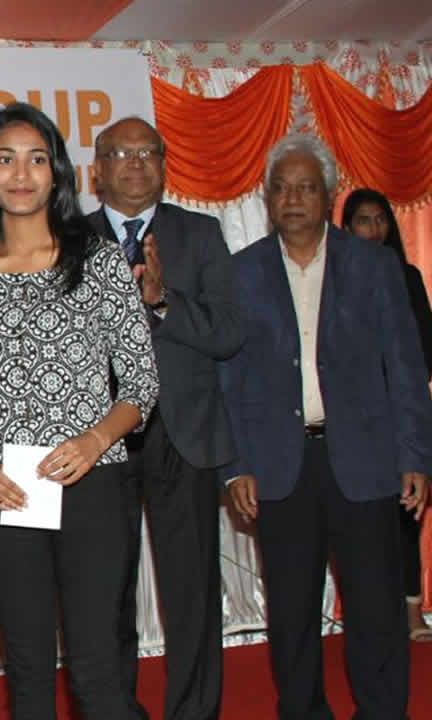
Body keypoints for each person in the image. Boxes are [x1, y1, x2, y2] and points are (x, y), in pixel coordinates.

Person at [0, 103, 157, 719]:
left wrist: (93, 442)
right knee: (28, 674)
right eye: (5, 159)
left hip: (94, 488)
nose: (21, 174)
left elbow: (141, 383)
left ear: (57, 172)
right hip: (6, 493)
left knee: (98, 672)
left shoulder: (99, 262)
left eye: (36, 159)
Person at [220, 134, 432, 718]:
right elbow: (229, 379)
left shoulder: (374, 266)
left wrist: (415, 455)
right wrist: (236, 466)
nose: (293, 199)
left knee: (376, 606)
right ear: (268, 198)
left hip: (365, 460)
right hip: (280, 467)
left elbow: (405, 366)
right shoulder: (242, 273)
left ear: (328, 196)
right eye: (282, 188)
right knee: (291, 612)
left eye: (306, 187)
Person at [88, 117, 242, 719]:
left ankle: (193, 712)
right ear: (97, 170)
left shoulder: (200, 235)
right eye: (120, 153)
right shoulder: (69, 239)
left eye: (147, 152)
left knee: (192, 590)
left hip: (185, 433)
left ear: (163, 164)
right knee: (105, 591)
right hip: (100, 441)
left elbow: (228, 333)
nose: (135, 163)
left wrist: (161, 301)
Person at [342, 187, 432, 643]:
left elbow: (424, 351)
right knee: (358, 522)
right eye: (364, 220)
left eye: (380, 220)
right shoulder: (333, 280)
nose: (373, 229)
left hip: (398, 419)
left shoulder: (407, 277)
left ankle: (413, 613)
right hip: (349, 422)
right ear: (346, 227)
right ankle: (370, 615)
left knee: (405, 517)